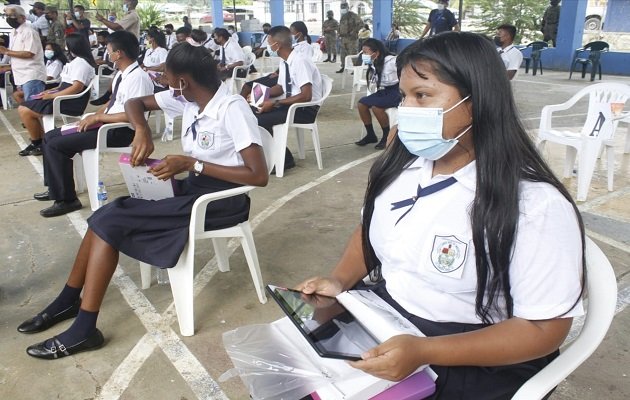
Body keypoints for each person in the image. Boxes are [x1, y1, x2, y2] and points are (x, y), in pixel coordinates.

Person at [296, 31, 584, 398]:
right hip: (390, 321)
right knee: (294, 376)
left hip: (471, 352)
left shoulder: (533, 205)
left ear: (475, 101)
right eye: (404, 96)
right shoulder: (402, 168)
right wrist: (339, 282)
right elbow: (371, 232)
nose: (407, 110)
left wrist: (424, 352)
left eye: (423, 96)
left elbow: (544, 330)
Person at [19, 42, 268, 359]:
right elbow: (137, 102)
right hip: (192, 191)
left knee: (110, 219)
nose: (163, 82)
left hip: (219, 202)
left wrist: (193, 164)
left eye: (166, 77)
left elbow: (258, 176)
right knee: (110, 214)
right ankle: (70, 302)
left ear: (183, 82)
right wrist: (141, 130)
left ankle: (83, 327)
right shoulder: (189, 100)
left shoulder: (232, 109)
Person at [32, 31, 153, 217]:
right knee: (49, 137)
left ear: (118, 53)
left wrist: (98, 119)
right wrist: (93, 115)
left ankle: (67, 200)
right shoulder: (123, 74)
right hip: (106, 124)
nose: (107, 52)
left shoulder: (138, 78)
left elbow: (133, 117)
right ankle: (55, 189)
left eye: (109, 49)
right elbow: (112, 102)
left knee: (57, 145)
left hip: (118, 131)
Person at [253, 25, 322, 171]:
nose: (268, 47)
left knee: (259, 120)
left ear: (277, 45)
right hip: (291, 105)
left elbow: (306, 95)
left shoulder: (300, 61)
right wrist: (259, 95)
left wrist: (276, 103)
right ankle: (277, 156)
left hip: (305, 109)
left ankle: (284, 160)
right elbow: (280, 88)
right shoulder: (285, 61)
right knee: (252, 112)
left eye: (269, 43)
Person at [16, 33, 95, 158]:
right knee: (25, 106)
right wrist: (50, 91)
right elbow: (64, 84)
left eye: (66, 44)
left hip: (69, 101)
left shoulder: (82, 63)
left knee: (24, 110)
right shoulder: (75, 61)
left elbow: (76, 88)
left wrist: (53, 96)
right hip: (61, 96)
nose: (65, 46)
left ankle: (37, 142)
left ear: (73, 46)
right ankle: (39, 141)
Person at [0, 5, 47, 123]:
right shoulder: (13, 33)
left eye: (11, 16)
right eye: (6, 16)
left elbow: (29, 53)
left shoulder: (29, 32)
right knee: (29, 108)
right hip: (21, 75)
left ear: (22, 17)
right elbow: (15, 55)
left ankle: (41, 136)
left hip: (31, 75)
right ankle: (37, 133)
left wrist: (6, 51)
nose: (8, 18)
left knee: (33, 109)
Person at [354, 39, 400, 150]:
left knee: (377, 107)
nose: (364, 55)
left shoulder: (392, 61)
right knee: (361, 104)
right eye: (363, 52)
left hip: (397, 91)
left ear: (377, 52)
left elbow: (405, 71)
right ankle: (370, 135)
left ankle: (386, 135)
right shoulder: (374, 62)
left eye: (366, 52)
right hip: (384, 91)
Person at [336, 2, 362, 73]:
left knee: (353, 54)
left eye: (344, 8)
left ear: (348, 8)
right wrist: (338, 33)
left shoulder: (353, 16)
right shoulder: (342, 17)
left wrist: (354, 31)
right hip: (343, 39)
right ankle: (343, 67)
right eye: (342, 8)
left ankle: (356, 69)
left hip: (352, 39)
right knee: (343, 54)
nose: (343, 9)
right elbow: (340, 26)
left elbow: (361, 24)